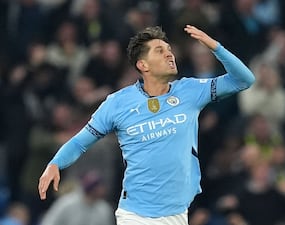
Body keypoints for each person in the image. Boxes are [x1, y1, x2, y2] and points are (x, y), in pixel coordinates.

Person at [38, 25, 255, 225]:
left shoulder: (190, 91)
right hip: (136, 214)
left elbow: (244, 80)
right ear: (143, 65)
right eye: (160, 50)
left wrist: (215, 47)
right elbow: (80, 142)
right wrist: (55, 164)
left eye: (169, 49)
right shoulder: (117, 103)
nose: (169, 54)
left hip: (177, 212)